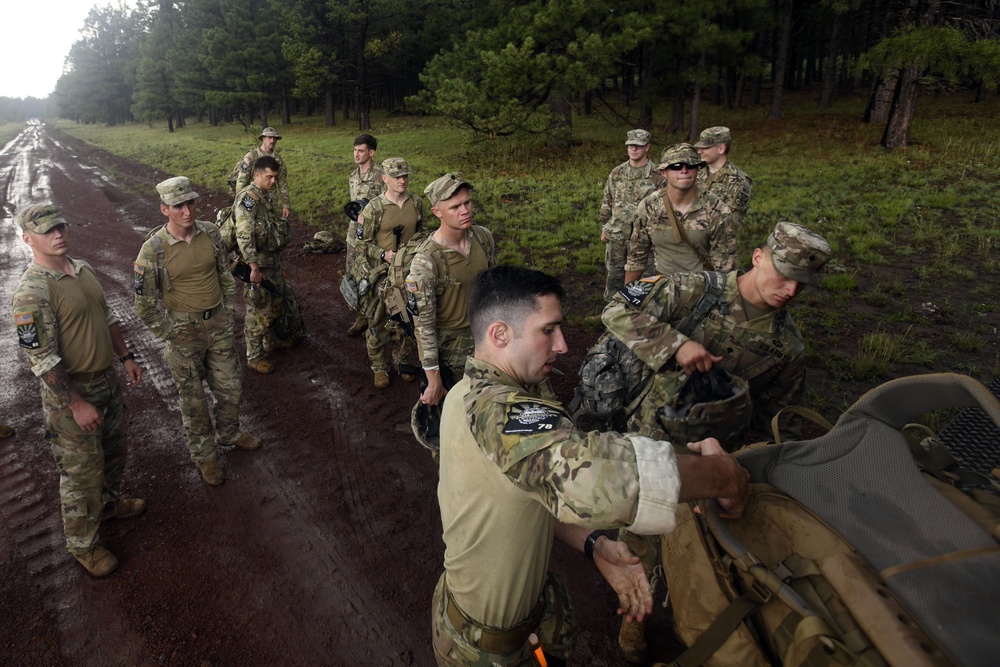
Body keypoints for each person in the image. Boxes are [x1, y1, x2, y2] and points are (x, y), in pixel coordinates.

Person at [432, 265, 751, 666]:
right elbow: (593, 476)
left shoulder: (465, 392)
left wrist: (593, 543)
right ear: (499, 334)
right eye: (548, 330)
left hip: (503, 622)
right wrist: (724, 477)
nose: (563, 345)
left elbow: (522, 492)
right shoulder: (500, 411)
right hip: (489, 651)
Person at [606, 221, 832, 662]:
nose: (789, 290)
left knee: (702, 545)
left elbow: (780, 420)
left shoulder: (786, 345)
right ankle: (632, 616)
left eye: (801, 284)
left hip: (712, 455)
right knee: (642, 533)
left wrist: (760, 468)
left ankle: (693, 611)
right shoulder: (695, 289)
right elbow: (616, 310)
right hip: (654, 438)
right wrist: (675, 344)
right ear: (757, 256)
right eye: (782, 274)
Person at [12, 204, 145, 577]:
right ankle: (83, 544)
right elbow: (42, 359)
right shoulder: (32, 293)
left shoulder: (82, 268)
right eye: (46, 231)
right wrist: (75, 402)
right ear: (27, 239)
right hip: (73, 393)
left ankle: (107, 505)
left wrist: (126, 356)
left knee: (115, 450)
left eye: (60, 227)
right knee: (81, 472)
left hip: (106, 380)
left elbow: (106, 317)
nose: (57, 234)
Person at [133, 177, 261, 487]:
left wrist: (228, 311)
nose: (187, 211)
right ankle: (204, 456)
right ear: (164, 209)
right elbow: (144, 304)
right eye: (178, 206)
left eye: (190, 203)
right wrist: (170, 332)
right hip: (183, 330)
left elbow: (224, 274)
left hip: (218, 323)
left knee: (231, 387)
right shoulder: (153, 250)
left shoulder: (211, 232)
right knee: (193, 401)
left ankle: (229, 433)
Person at [410, 173, 495, 407]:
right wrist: (434, 380)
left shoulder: (483, 238)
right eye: (455, 206)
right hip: (453, 350)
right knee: (461, 409)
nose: (465, 210)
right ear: (437, 212)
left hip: (486, 335)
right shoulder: (426, 261)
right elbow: (424, 325)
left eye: (467, 203)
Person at [352, 158, 424, 388]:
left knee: (408, 319)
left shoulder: (416, 202)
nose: (402, 181)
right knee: (379, 319)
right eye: (397, 177)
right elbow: (360, 244)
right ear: (385, 179)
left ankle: (401, 359)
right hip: (383, 273)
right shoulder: (373, 208)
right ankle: (379, 367)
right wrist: (383, 255)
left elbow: (423, 234)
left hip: (410, 272)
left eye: (405, 176)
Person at [234, 156, 306, 374]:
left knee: (274, 302)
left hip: (271, 261)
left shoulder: (265, 196)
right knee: (257, 308)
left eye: (275, 177)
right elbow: (244, 235)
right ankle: (254, 356)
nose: (273, 181)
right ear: (256, 175)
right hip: (259, 264)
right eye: (269, 177)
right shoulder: (249, 199)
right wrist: (253, 267)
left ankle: (271, 340)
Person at [625, 144, 735, 283]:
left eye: (690, 166)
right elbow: (636, 257)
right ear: (664, 172)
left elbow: (725, 267)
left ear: (697, 170)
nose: (684, 171)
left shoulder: (717, 210)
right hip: (663, 287)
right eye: (676, 166)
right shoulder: (649, 207)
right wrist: (627, 296)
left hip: (703, 288)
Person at [598, 129, 663, 301]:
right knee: (615, 275)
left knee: (644, 279)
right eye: (630, 146)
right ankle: (612, 311)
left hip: (644, 238)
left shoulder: (657, 175)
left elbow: (664, 209)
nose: (633, 149)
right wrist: (605, 227)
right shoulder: (617, 172)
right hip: (617, 235)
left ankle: (640, 314)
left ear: (647, 147)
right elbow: (607, 201)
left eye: (638, 146)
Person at [345, 134, 386, 337]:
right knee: (353, 274)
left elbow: (387, 205)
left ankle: (375, 320)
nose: (356, 154)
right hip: (354, 235)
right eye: (354, 150)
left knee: (372, 276)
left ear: (371, 152)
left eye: (361, 150)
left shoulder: (381, 176)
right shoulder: (353, 176)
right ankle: (360, 317)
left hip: (374, 236)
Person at [693, 126, 753, 226]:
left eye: (705, 148)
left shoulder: (738, 181)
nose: (699, 151)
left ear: (721, 148)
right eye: (700, 148)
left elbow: (730, 222)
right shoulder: (695, 172)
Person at [234, 127, 290, 219]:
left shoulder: (278, 159)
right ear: (263, 138)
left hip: (271, 200)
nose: (272, 140)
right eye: (269, 138)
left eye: (275, 138)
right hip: (253, 196)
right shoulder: (252, 156)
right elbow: (242, 180)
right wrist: (239, 202)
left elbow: (282, 183)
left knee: (271, 224)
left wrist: (285, 205)